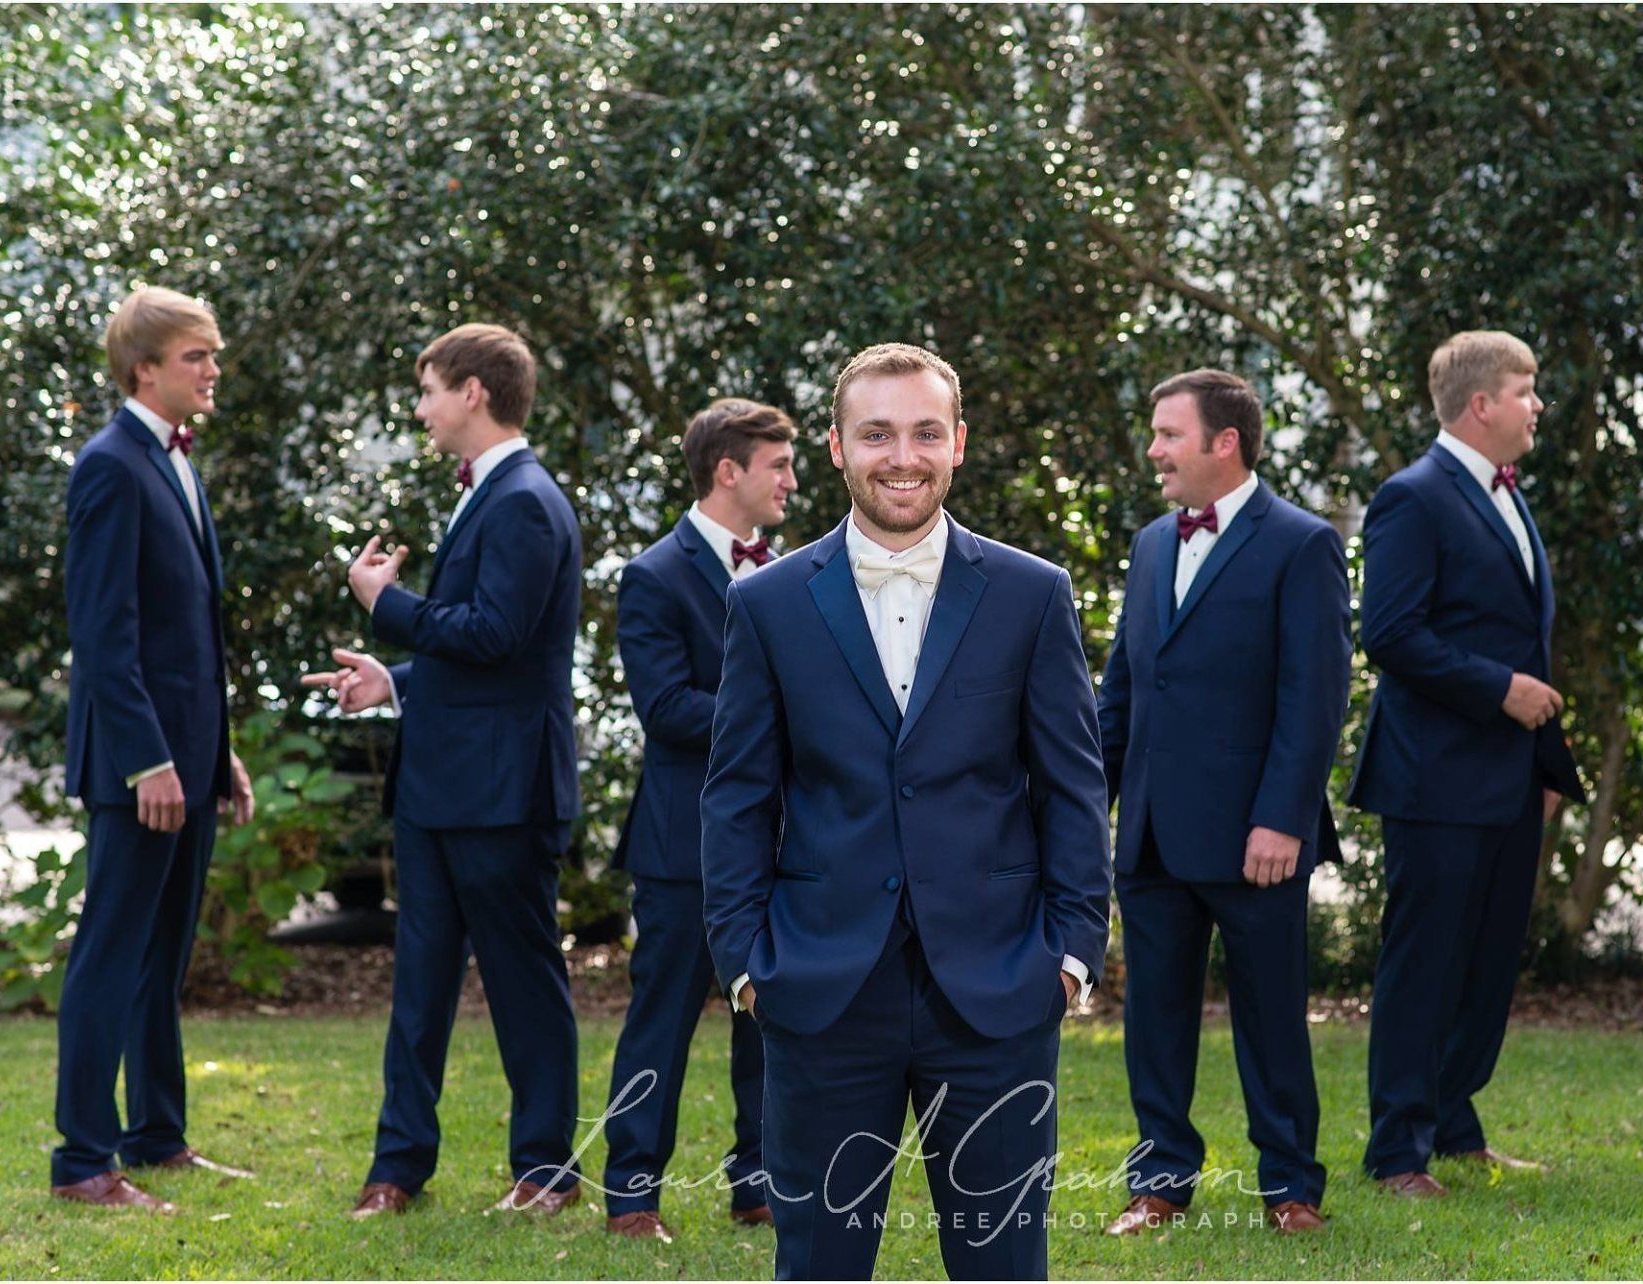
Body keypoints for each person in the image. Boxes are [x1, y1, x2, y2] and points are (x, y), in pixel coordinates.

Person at [700, 343, 1111, 1279]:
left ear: (958, 443)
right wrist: (746, 965)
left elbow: (1073, 786)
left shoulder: (1032, 593)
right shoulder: (766, 604)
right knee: (819, 1264)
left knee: (1005, 1264)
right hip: (819, 988)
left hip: (1002, 985)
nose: (903, 456)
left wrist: (1072, 956)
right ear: (837, 448)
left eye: (926, 433)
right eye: (877, 434)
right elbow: (736, 797)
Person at [301, 324, 584, 1217]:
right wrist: (392, 680)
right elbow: (480, 659)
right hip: (436, 789)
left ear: (473, 392)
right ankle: (396, 1169)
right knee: (418, 989)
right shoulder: (489, 495)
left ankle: (545, 1170)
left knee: (524, 986)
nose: (420, 410)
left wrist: (387, 604)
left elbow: (498, 636)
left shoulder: (525, 501)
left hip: (503, 793)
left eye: (427, 391)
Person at [1096, 370, 1351, 1237]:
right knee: (1153, 1021)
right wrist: (1087, 802)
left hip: (1256, 838)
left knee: (1271, 1020)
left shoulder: (1301, 544)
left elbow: (1314, 696)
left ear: (1225, 442)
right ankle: (1159, 1183)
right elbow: (1126, 689)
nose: (1155, 451)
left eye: (1169, 434)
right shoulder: (1149, 545)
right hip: (1152, 834)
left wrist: (1283, 817)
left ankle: (1291, 1188)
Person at [1349, 330, 1585, 1197]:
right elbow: (1389, 633)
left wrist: (1543, 762)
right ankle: (1397, 1151)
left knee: (1485, 965)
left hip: (1508, 776)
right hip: (1435, 777)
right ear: (1481, 404)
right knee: (1426, 965)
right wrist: (1500, 691)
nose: (1537, 405)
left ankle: (1453, 1124)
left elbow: (1512, 630)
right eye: (1526, 390)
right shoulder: (1412, 497)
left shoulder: (1506, 494)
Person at [53, 286, 256, 1212]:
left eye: (212, 354)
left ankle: (158, 1137)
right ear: (144, 370)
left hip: (188, 760)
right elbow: (104, 636)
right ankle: (82, 1163)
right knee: (111, 954)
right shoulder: (109, 466)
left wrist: (220, 754)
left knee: (163, 955)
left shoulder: (175, 462)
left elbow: (188, 637)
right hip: (139, 769)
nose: (212, 370)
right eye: (194, 357)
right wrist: (147, 761)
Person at [602, 398, 799, 1242]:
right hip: (684, 843)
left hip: (783, 836)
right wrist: (781, 712)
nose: (792, 481)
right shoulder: (654, 575)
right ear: (728, 471)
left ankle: (760, 1182)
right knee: (663, 1019)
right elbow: (666, 709)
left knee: (771, 1019)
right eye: (778, 465)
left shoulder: (792, 571)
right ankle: (631, 1195)